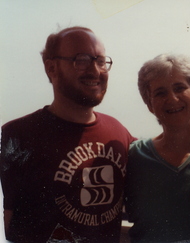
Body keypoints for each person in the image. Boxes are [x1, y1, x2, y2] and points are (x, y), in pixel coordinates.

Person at [0, 26, 135, 243]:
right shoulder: (15, 136)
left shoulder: (118, 132)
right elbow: (10, 225)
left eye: (101, 61)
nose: (95, 70)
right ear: (51, 68)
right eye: (81, 60)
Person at [124, 54, 190, 242]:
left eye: (180, 88)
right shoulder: (134, 156)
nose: (172, 98)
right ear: (149, 105)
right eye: (160, 93)